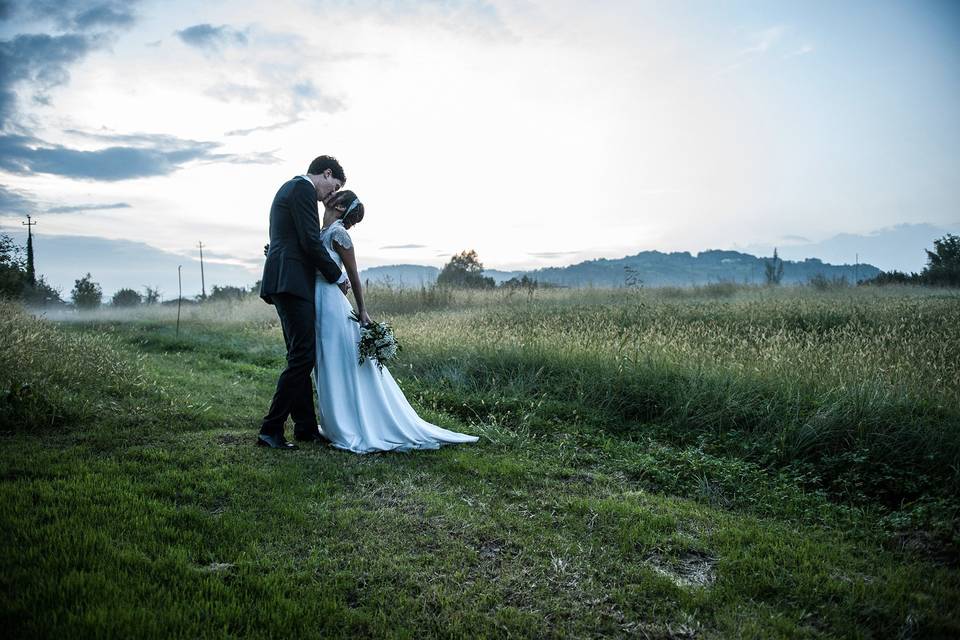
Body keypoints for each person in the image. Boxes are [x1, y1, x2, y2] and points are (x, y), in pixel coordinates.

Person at [312, 190, 479, 453]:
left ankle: (353, 424)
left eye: (337, 195)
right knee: (324, 360)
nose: (329, 195)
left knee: (335, 359)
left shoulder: (340, 235)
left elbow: (354, 275)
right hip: (316, 300)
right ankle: (335, 422)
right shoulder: (321, 231)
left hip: (332, 303)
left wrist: (362, 310)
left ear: (341, 206)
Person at [257, 155, 349, 449]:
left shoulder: (293, 189)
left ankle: (305, 428)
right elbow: (310, 242)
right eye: (333, 187)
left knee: (300, 355)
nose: (330, 196)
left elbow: (292, 238)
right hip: (291, 281)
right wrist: (337, 275)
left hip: (287, 279)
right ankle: (270, 429)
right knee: (302, 356)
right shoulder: (302, 190)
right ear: (325, 173)